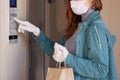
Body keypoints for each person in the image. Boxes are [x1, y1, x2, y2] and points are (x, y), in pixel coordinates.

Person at [14, 0, 118, 80]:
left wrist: (68, 58)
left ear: (92, 1)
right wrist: (37, 32)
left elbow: (101, 69)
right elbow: (53, 49)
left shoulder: (95, 29)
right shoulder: (78, 26)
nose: (72, 3)